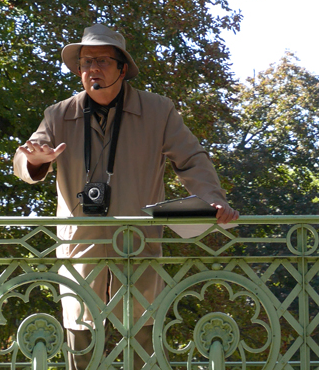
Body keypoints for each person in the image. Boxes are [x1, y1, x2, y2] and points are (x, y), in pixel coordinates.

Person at [13, 22, 238, 369]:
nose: (93, 69)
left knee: (142, 343)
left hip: (137, 245)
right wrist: (35, 160)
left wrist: (212, 198)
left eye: (102, 61)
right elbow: (26, 156)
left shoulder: (158, 111)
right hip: (80, 248)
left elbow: (191, 159)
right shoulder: (58, 114)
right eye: (86, 62)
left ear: (122, 68)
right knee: (81, 343)